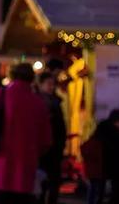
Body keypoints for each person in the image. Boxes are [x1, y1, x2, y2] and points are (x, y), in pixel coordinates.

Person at [0, 63, 51, 204]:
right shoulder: (38, 102)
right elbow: (45, 139)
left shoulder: (0, 95)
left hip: (0, 163)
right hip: (26, 167)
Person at [82, 109, 119, 204]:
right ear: (118, 121)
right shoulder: (115, 134)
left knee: (96, 190)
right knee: (104, 190)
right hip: (108, 166)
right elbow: (117, 151)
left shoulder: (100, 131)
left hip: (97, 166)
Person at [36, 72, 67, 204]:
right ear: (41, 85)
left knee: (55, 182)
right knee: (41, 182)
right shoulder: (36, 101)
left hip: (55, 148)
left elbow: (61, 126)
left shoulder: (56, 102)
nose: (51, 87)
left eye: (53, 84)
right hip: (41, 150)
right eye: (48, 84)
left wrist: (61, 144)